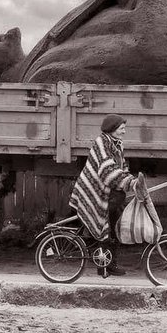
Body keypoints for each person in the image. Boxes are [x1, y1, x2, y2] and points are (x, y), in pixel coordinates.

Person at [68, 113, 137, 276]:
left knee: (114, 225)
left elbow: (121, 167)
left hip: (107, 191)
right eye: (122, 128)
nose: (124, 131)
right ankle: (104, 265)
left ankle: (107, 264)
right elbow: (107, 171)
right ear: (112, 128)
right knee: (106, 225)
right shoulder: (101, 143)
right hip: (94, 192)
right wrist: (130, 183)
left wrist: (131, 179)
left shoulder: (116, 144)